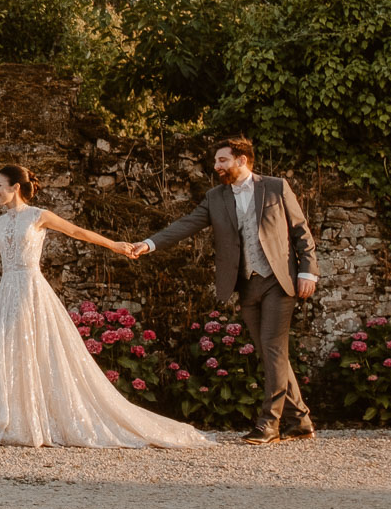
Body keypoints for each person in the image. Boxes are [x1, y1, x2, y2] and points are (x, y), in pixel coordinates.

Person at [0, 164, 211, 449]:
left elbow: (76, 232)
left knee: (37, 349)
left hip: (30, 288)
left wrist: (114, 245)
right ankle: (13, 421)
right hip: (7, 289)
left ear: (15, 187)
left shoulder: (39, 216)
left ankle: (39, 423)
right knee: (9, 350)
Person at [122, 136, 319, 445]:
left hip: (280, 281)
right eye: (216, 161)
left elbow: (301, 232)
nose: (216, 166)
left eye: (222, 160)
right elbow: (186, 224)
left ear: (242, 160)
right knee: (272, 353)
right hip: (245, 284)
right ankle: (300, 420)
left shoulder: (276, 187)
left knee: (272, 348)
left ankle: (270, 423)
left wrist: (308, 270)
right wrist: (148, 244)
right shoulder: (216, 197)